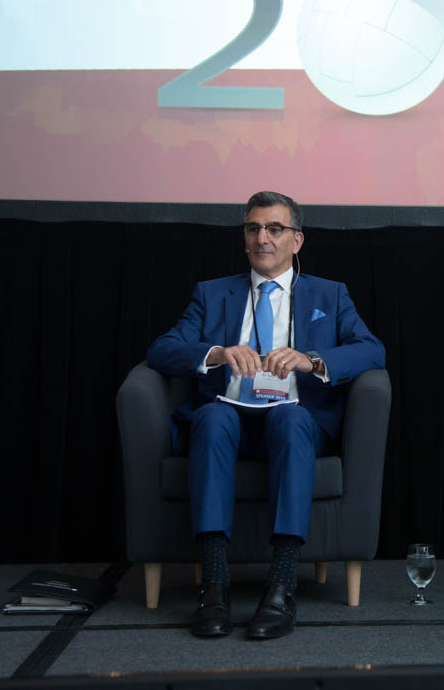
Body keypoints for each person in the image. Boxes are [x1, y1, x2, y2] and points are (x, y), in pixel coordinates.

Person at [147, 191, 385, 640]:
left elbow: (372, 349)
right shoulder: (212, 293)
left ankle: (281, 586)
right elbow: (162, 349)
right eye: (253, 228)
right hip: (229, 415)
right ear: (244, 238)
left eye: (274, 229)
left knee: (290, 420)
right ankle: (214, 586)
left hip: (294, 417)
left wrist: (311, 360)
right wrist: (216, 353)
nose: (262, 238)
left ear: (297, 240)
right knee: (211, 419)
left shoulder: (330, 294)